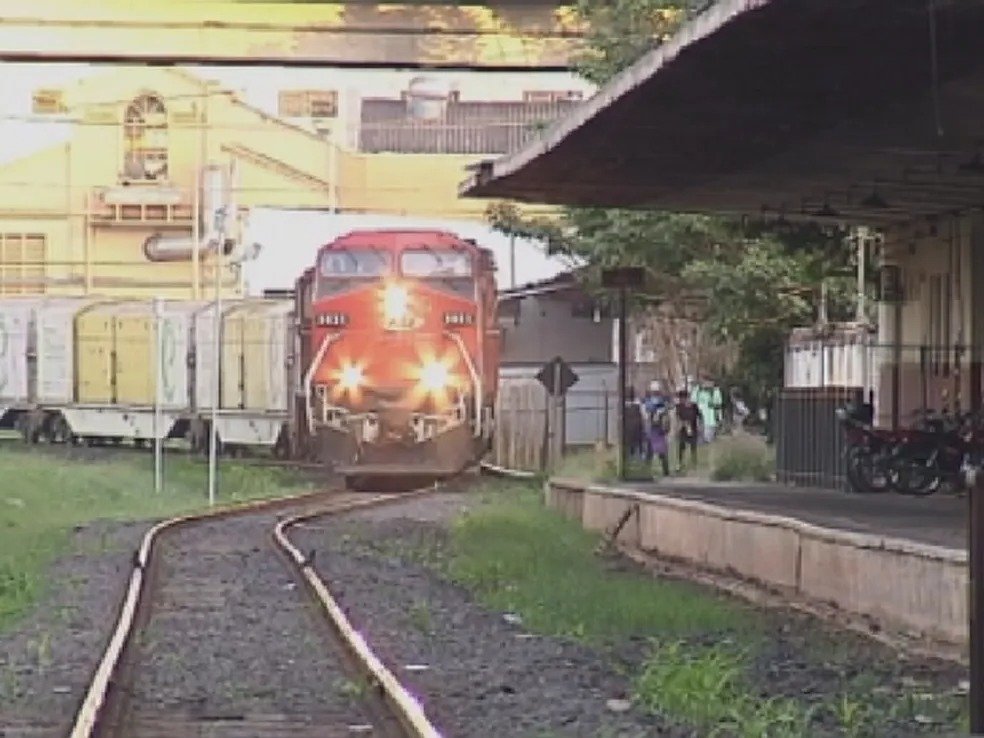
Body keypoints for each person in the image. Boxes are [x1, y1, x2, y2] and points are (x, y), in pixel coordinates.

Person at [646, 389, 671, 477]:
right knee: (651, 452)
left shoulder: (662, 406)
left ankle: (665, 471)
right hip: (654, 431)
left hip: (659, 431)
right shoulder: (650, 405)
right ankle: (647, 470)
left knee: (661, 452)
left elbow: (666, 420)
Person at [676, 389, 702, 470]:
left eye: (683, 398)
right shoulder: (679, 406)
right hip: (683, 428)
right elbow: (678, 417)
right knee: (681, 446)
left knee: (693, 447)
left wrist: (700, 426)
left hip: (693, 427)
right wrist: (680, 425)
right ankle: (680, 463)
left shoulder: (694, 406)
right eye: (681, 398)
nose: (682, 400)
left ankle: (694, 463)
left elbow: (699, 416)